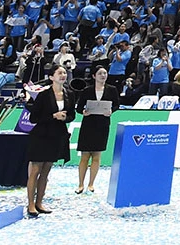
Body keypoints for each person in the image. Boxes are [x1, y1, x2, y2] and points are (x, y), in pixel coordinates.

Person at [25, 65, 75, 217]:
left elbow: (72, 115)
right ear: (51, 77)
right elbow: (34, 118)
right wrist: (53, 116)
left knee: (46, 172)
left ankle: (39, 202)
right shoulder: (44, 95)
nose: (63, 75)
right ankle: (30, 204)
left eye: (64, 72)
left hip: (57, 136)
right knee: (35, 171)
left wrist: (65, 118)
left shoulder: (69, 94)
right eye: (59, 73)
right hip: (41, 136)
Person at [75, 65, 118, 194]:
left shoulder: (112, 89)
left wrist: (111, 111)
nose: (103, 75)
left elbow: (116, 105)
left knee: (96, 156)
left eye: (105, 73)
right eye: (100, 73)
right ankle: (80, 184)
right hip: (88, 124)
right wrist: (83, 112)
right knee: (84, 156)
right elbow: (79, 108)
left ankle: (91, 184)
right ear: (94, 76)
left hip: (102, 124)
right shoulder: (87, 90)